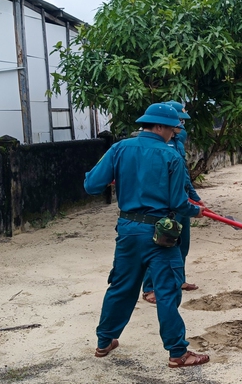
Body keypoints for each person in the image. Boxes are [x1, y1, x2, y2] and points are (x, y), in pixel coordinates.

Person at [85, 103, 210, 368]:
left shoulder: (119, 148)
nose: (174, 133)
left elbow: (92, 184)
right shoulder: (170, 156)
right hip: (160, 234)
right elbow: (178, 202)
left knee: (121, 286)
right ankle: (178, 352)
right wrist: (195, 211)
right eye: (173, 129)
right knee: (167, 291)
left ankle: (104, 341)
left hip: (128, 230)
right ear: (160, 126)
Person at [141, 100, 204, 304]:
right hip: (166, 204)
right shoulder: (157, 146)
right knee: (161, 243)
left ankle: (179, 279)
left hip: (182, 200)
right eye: (179, 121)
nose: (182, 125)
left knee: (182, 243)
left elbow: (184, 173)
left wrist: (195, 197)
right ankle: (150, 287)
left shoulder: (178, 140)